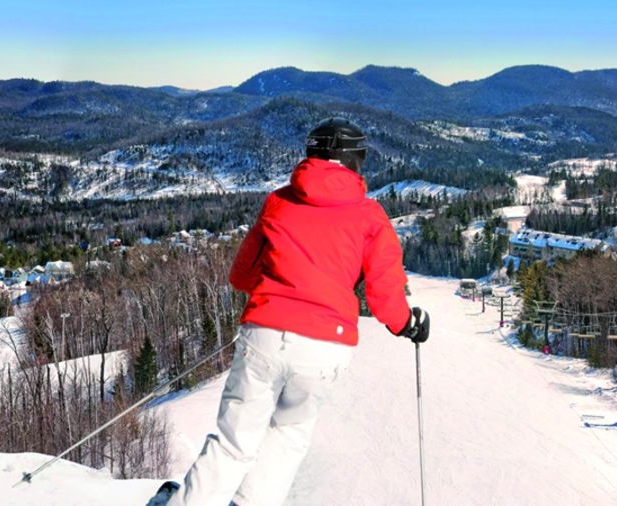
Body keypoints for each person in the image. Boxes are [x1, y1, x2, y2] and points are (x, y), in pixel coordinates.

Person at [152, 117, 430, 506]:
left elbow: (241, 275)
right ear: (355, 161)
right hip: (325, 348)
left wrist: (282, 288)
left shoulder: (279, 202)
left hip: (266, 335)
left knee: (234, 443)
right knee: (287, 438)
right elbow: (385, 294)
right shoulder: (370, 216)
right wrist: (408, 325)